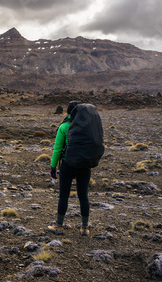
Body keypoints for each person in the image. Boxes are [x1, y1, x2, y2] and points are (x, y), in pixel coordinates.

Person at [47, 101, 91, 236]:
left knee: (64, 195)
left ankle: (59, 226)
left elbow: (58, 149)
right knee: (83, 195)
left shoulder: (64, 126)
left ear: (68, 112)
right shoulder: (87, 126)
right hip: (84, 165)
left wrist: (53, 166)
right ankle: (84, 228)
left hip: (68, 164)